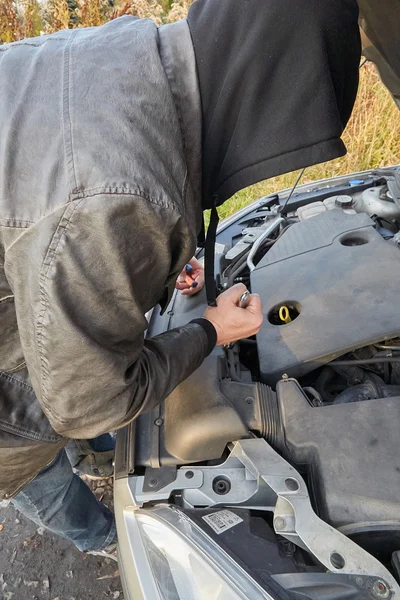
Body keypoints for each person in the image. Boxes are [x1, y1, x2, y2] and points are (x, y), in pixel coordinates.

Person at [0, 0, 361, 558]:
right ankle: (108, 539)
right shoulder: (118, 197)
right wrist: (211, 331)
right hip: (11, 412)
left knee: (76, 429)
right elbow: (89, 403)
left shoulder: (130, 52)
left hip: (33, 328)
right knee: (40, 476)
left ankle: (94, 455)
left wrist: (158, 265)